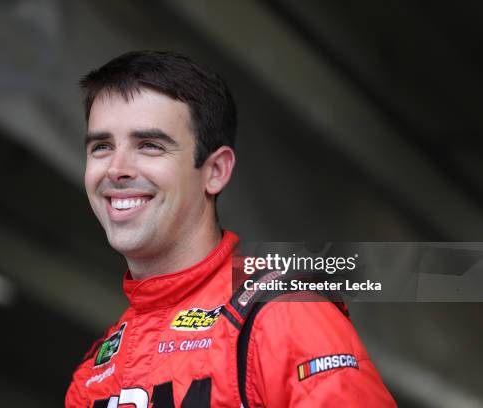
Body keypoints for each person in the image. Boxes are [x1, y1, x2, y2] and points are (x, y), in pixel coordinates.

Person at [65, 50, 395, 407]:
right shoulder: (93, 374)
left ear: (216, 171)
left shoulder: (282, 314)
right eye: (101, 147)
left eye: (149, 146)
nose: (116, 169)